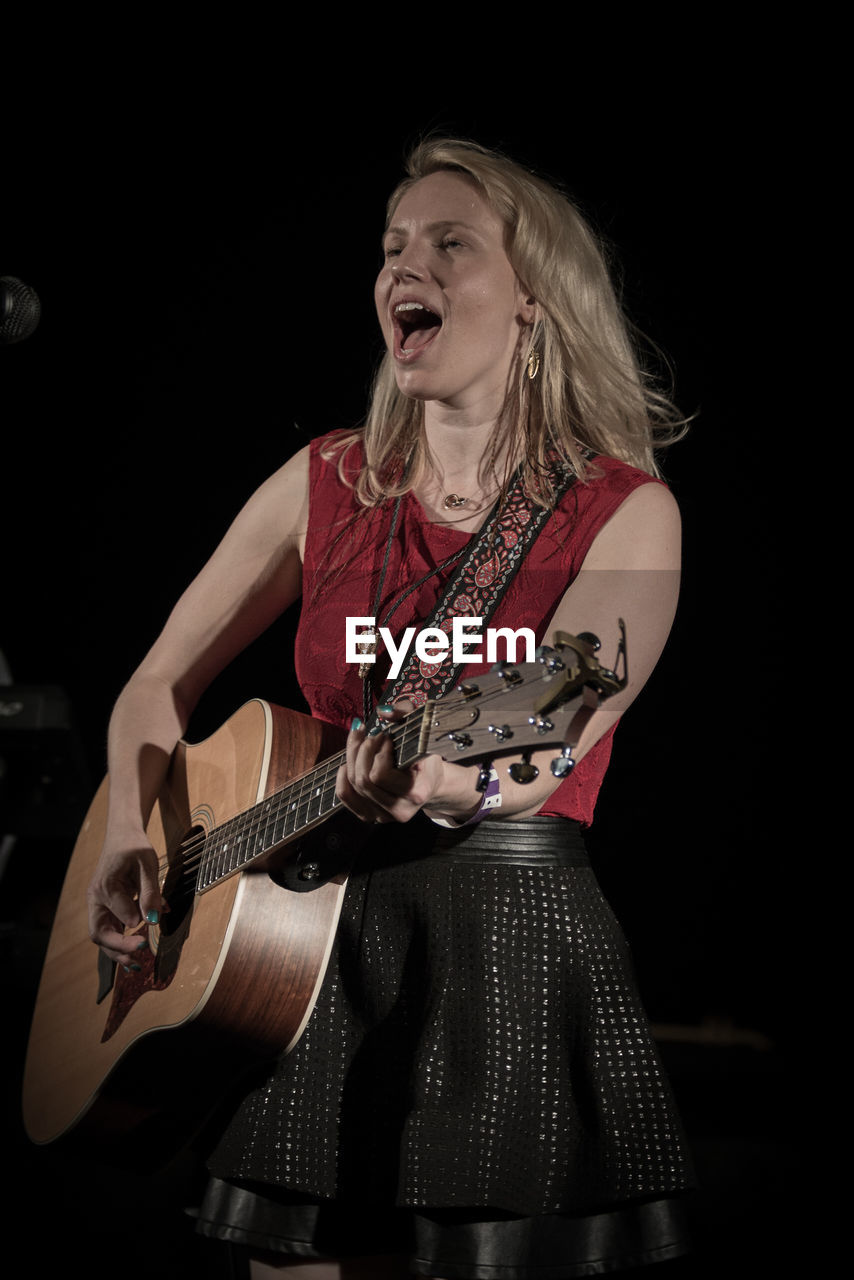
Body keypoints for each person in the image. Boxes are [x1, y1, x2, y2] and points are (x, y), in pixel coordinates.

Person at [87, 138, 695, 1279]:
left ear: (531, 300)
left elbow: (553, 731)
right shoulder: (326, 481)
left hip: (498, 942)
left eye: (447, 243)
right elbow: (153, 686)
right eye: (390, 247)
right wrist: (134, 836)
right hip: (299, 943)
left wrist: (441, 778)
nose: (401, 266)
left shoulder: (624, 510)